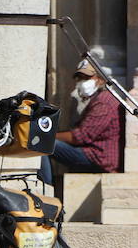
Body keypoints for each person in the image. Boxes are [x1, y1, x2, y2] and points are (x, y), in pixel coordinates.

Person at [39, 58, 123, 186]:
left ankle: (46, 190)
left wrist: (47, 136)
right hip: (92, 154)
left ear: (100, 79)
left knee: (42, 144)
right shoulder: (98, 100)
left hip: (99, 158)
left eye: (87, 78)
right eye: (79, 78)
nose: (82, 82)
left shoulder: (104, 102)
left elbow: (80, 137)